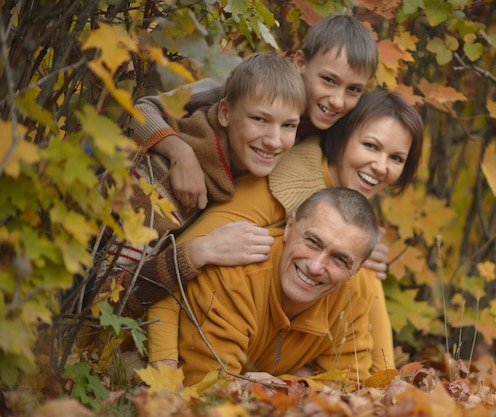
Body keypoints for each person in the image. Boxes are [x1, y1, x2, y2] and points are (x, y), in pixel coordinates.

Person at [118, 13, 382, 314]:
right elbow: (141, 110)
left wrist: (358, 245)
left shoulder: (336, 124)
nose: (337, 100)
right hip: (158, 171)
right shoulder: (251, 83)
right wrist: (181, 153)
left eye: (353, 90)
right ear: (300, 64)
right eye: (328, 81)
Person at [147, 88, 424, 373]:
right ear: (343, 137)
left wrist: (383, 387)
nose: (380, 166)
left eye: (396, 159)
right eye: (370, 146)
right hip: (166, 325)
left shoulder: (351, 207)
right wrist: (163, 367)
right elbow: (174, 266)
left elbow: (366, 297)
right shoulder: (278, 188)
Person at [99, 52, 306, 315]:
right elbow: (103, 302)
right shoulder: (161, 184)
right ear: (224, 113)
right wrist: (198, 252)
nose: (274, 141)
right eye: (259, 120)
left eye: (288, 125)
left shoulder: (236, 170)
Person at [147, 187, 381, 386]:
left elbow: (348, 387)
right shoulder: (234, 279)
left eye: (340, 259)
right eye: (312, 242)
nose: (316, 266)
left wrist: (294, 387)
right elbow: (208, 390)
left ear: (356, 271)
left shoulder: (354, 295)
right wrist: (299, 386)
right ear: (289, 227)